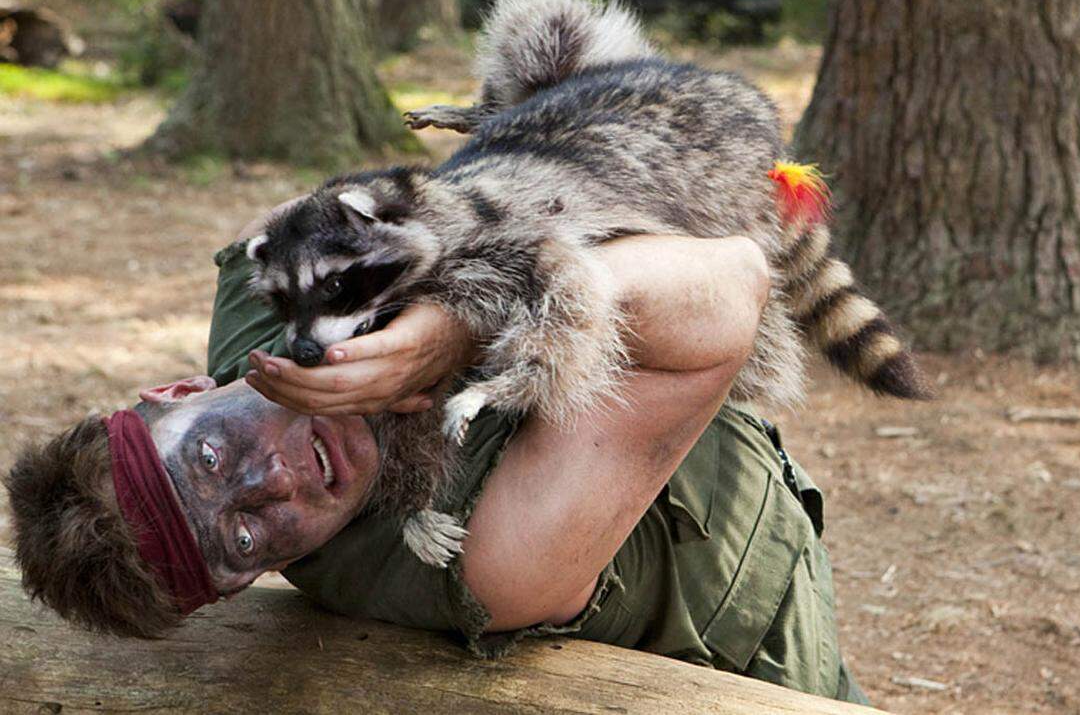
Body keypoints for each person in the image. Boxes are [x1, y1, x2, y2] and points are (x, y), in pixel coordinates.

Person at [5, 207, 869, 705]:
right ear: (244, 585)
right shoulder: (497, 562)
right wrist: (464, 318)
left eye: (210, 458)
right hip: (734, 602)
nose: (271, 483)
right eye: (241, 539)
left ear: (181, 390)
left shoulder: (275, 281)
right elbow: (729, 287)